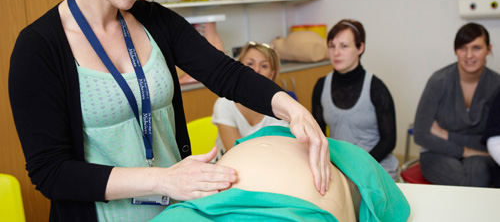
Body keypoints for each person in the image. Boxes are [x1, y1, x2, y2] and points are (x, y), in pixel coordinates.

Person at [7, 0, 330, 221]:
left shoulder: (154, 20)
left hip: (178, 212)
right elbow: (53, 173)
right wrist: (164, 179)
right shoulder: (38, 48)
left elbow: (226, 74)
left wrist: (292, 109)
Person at [150, 126, 411, 222]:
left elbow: (372, 183)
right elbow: (381, 196)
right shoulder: (333, 150)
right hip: (212, 206)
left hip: (291, 209)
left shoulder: (333, 151)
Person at [414, 23, 500, 187]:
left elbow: (492, 140)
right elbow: (421, 134)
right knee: (475, 180)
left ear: (488, 50)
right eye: (462, 48)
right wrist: (465, 151)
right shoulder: (438, 81)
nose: (469, 55)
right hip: (437, 153)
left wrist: (445, 134)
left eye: (476, 48)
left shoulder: (497, 86)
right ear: (455, 51)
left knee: (479, 171)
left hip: (479, 157)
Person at [312, 19, 399, 180]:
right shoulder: (321, 85)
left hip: (375, 168)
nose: (336, 53)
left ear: (360, 48)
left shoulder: (376, 88)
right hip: (340, 169)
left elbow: (389, 141)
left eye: (344, 46)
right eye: (332, 46)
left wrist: (358, 167)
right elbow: (318, 135)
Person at [212, 41, 289, 159]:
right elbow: (236, 154)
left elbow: (280, 151)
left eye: (264, 66)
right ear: (239, 68)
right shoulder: (224, 104)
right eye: (250, 64)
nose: (256, 70)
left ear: (271, 74)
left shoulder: (279, 108)